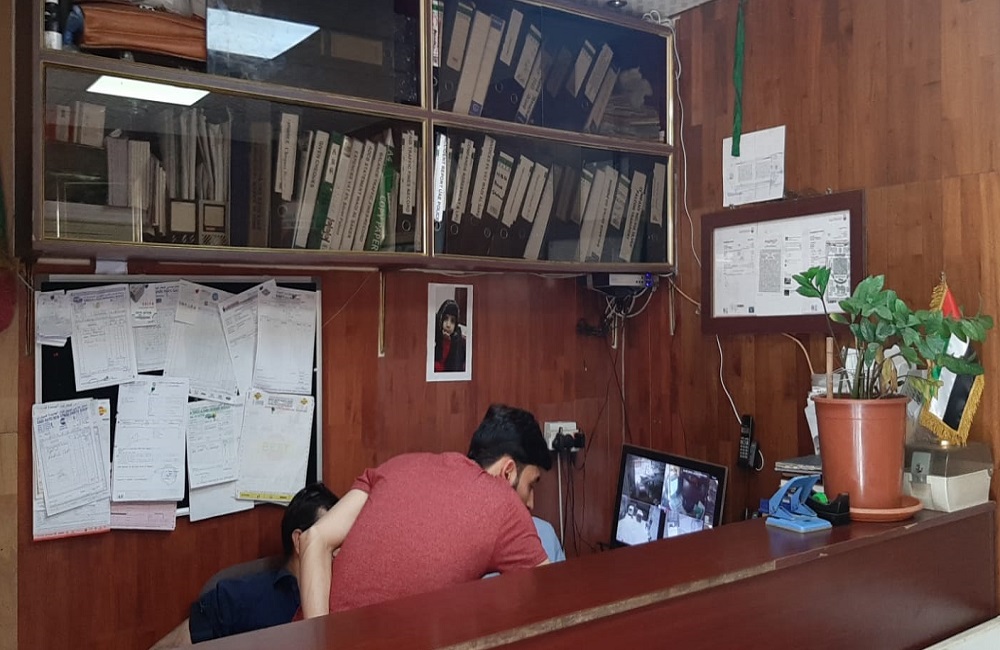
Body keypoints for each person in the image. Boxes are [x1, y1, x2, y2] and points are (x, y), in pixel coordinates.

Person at [299, 404, 552, 617]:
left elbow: (314, 537)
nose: (530, 503)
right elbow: (549, 603)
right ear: (508, 471)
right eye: (531, 485)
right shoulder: (505, 504)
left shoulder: (397, 466)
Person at [150, 483, 338, 648]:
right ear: (299, 541)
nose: (340, 551)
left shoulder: (342, 598)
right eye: (331, 541)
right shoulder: (240, 598)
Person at [434, 298, 467, 372]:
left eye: (452, 321)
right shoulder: (433, 335)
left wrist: (448, 342)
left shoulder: (459, 342)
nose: (448, 325)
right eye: (445, 319)